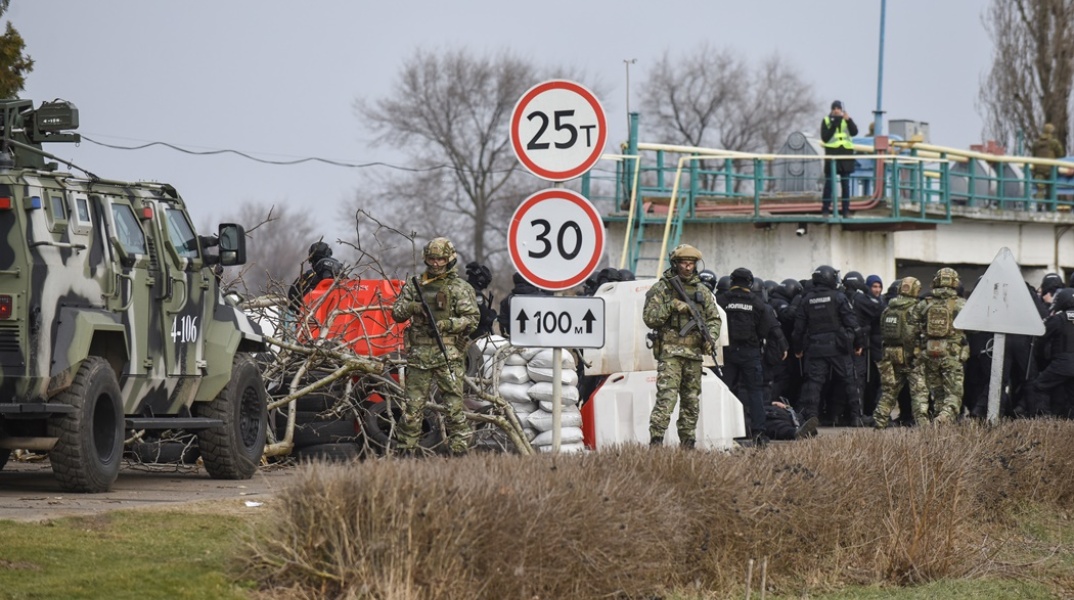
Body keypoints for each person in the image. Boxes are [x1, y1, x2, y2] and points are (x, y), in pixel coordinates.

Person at [391, 237, 480, 455]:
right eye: (432, 258)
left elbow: (472, 319)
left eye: (440, 259)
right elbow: (396, 314)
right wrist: (414, 307)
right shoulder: (415, 285)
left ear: (449, 259)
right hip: (419, 355)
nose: (436, 263)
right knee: (412, 409)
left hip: (447, 354)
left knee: (454, 408)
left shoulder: (459, 288)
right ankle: (406, 451)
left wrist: (447, 324)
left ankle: (459, 450)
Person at [643, 244, 722, 449]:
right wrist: (672, 305)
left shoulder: (702, 292)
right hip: (670, 353)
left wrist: (710, 338)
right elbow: (650, 318)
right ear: (676, 264)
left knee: (691, 402)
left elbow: (714, 319)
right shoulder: (662, 289)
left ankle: (688, 444)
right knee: (666, 399)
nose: (688, 267)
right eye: (684, 263)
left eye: (691, 263)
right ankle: (656, 441)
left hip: (694, 354)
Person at [717, 267, 785, 445]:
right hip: (750, 353)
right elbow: (771, 327)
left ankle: (723, 432)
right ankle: (758, 434)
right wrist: (783, 346)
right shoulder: (757, 302)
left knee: (725, 392)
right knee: (755, 393)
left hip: (727, 353)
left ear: (732, 282)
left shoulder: (721, 300)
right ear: (750, 283)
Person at [792, 265, 861, 425]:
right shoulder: (838, 297)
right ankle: (857, 417)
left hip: (815, 348)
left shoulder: (806, 299)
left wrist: (798, 349)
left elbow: (798, 330)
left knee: (814, 384)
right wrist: (858, 343)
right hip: (838, 347)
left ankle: (811, 417)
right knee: (850, 381)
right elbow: (852, 323)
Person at [910, 267, 968, 424]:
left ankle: (938, 429)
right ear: (955, 282)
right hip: (952, 354)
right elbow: (974, 330)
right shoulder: (961, 305)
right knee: (954, 394)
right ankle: (944, 418)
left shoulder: (924, 304)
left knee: (938, 393)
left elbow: (912, 328)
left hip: (930, 353)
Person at [873, 277, 924, 428]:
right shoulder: (916, 308)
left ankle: (879, 422)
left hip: (891, 355)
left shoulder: (888, 309)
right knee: (919, 393)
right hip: (911, 357)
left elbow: (883, 332)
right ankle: (924, 427)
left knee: (889, 392)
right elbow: (915, 333)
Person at [1027, 288, 1074, 418]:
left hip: (1062, 364)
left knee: (1039, 386)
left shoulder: (1059, 319)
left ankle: (1044, 418)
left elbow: (1041, 338)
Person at [820, 100, 859, 218]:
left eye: (838, 108)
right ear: (832, 110)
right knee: (829, 184)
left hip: (845, 156)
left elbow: (854, 132)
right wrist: (834, 125)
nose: (836, 110)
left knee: (845, 185)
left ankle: (846, 211)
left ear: (841, 110)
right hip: (832, 156)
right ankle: (825, 210)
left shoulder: (847, 120)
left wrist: (849, 120)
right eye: (834, 108)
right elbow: (825, 138)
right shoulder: (826, 120)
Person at [288, 241, 334, 314]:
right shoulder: (341, 277)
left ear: (311, 258)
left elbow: (292, 296)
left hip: (308, 322)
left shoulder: (307, 278)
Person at [1031, 123, 1065, 203]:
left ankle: (1039, 207)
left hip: (1038, 170)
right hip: (1051, 170)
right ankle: (1050, 207)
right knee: (1051, 188)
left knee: (1040, 189)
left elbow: (1033, 155)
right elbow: (1060, 154)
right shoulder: (1054, 143)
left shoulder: (1036, 143)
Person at [464, 261, 498, 340]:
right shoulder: (476, 294)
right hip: (475, 336)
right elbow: (484, 318)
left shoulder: (463, 288)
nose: (485, 286)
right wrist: (492, 314)